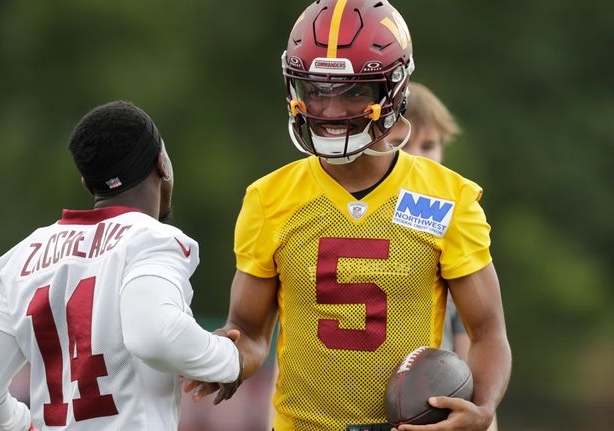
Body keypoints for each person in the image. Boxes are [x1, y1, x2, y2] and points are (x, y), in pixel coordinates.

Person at [185, 1, 511, 430]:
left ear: (392, 91)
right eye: (317, 90)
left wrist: (482, 409)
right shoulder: (269, 198)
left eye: (354, 90)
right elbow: (250, 332)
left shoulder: (448, 196)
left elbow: (488, 333)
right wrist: (225, 359)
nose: (332, 110)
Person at [0, 100, 242, 431]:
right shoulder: (150, 239)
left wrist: (25, 427)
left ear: (87, 185)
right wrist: (228, 359)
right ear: (162, 164)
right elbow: (154, 335)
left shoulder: (23, 255)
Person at [386, 81, 498, 431]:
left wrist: (483, 419)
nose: (418, 156)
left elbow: (476, 355)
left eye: (429, 145)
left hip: (431, 412)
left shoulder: (449, 233)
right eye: (401, 144)